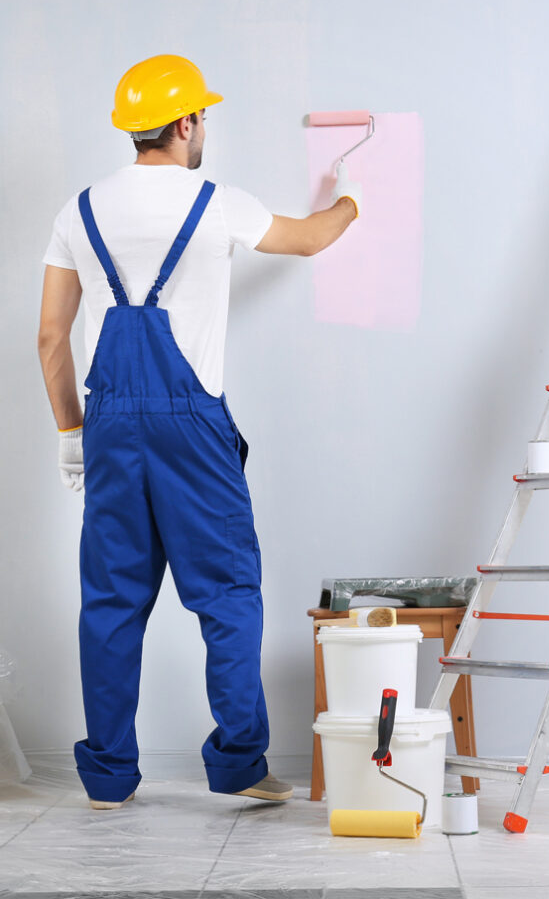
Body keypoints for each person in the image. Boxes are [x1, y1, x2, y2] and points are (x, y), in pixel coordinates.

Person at [37, 54, 360, 810]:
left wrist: (70, 434)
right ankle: (241, 762)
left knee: (112, 601)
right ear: (185, 124)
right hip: (193, 431)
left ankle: (109, 778)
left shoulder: (77, 210)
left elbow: (51, 338)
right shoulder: (216, 203)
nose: (204, 127)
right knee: (226, 595)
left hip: (110, 426)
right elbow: (310, 239)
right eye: (202, 116)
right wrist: (351, 203)